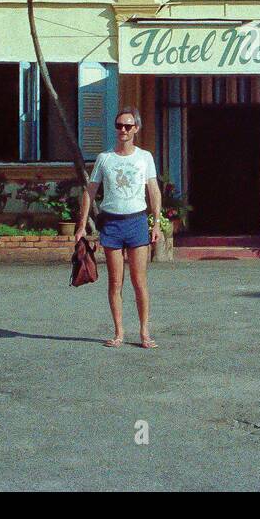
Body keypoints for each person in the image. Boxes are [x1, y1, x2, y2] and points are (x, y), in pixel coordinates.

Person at [78, 106, 162, 349]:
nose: (123, 130)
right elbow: (90, 191)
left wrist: (156, 223)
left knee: (139, 281)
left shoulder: (144, 157)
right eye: (119, 126)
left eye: (127, 126)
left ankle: (144, 331)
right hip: (112, 223)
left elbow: (153, 190)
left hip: (136, 221)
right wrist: (82, 225)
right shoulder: (105, 158)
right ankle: (118, 332)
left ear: (136, 128)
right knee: (115, 282)